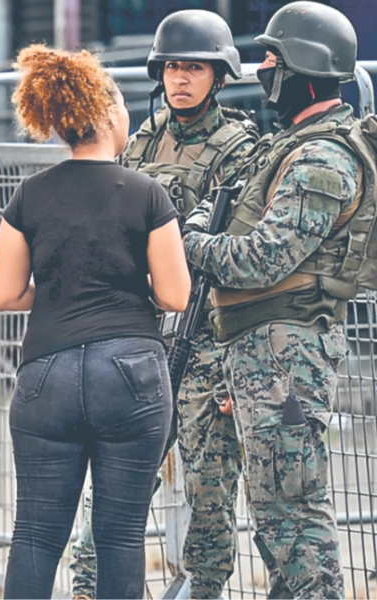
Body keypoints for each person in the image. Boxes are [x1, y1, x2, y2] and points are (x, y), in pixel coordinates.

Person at [69, 10, 258, 600]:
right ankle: (86, 587)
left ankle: (204, 590)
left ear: (219, 75)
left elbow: (235, 252)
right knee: (116, 484)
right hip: (143, 339)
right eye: (173, 67)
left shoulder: (241, 148)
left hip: (207, 343)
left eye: (194, 68)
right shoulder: (142, 140)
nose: (181, 79)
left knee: (209, 488)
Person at [0, 44, 191, 599]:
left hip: (46, 373)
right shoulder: (147, 193)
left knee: (34, 533)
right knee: (120, 533)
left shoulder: (29, 194)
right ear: (106, 114)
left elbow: (6, 294)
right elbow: (175, 295)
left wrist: (61, 292)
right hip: (129, 371)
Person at [182, 2, 362, 597]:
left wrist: (192, 243)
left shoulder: (321, 158)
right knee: (275, 508)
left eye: (271, 58)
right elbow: (227, 209)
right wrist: (207, 226)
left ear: (303, 67)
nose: (262, 69)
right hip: (260, 356)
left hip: (286, 362)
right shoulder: (289, 145)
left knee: (292, 508)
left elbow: (261, 258)